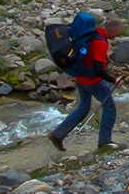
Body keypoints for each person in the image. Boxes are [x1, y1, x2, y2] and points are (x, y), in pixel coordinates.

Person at [48, 16, 124, 152]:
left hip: (80, 78)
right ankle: (105, 141)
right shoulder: (99, 42)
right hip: (92, 81)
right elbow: (98, 70)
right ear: (112, 30)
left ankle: (58, 134)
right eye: (118, 31)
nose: (119, 34)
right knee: (109, 107)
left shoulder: (91, 33)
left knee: (83, 107)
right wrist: (114, 80)